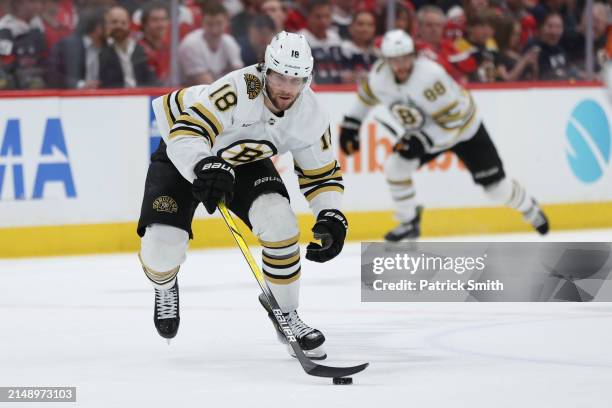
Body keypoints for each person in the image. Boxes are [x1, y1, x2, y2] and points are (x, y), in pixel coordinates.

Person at [137, 32, 348, 360]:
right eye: (279, 76)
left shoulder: (312, 114)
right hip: (185, 151)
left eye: (297, 80)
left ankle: (286, 313)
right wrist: (204, 164)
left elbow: (321, 174)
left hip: (244, 159)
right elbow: (186, 133)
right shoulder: (239, 88)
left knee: (279, 222)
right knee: (162, 247)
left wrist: (331, 213)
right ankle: (164, 285)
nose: (286, 88)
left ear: (308, 78)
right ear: (265, 69)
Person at [338, 30, 548, 242]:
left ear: (414, 54)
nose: (400, 65)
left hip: (466, 131)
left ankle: (529, 208)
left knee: (497, 191)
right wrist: (352, 124)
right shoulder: (379, 75)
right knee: (396, 166)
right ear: (385, 60)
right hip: (428, 132)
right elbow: (366, 96)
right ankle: (408, 221)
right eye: (394, 60)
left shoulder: (431, 76)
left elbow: (453, 123)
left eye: (405, 58)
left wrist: (420, 141)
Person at [178, 1, 243, 85]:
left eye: (219, 23)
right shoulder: (191, 44)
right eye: (209, 24)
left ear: (227, 23)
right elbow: (208, 86)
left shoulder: (230, 42)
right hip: (185, 93)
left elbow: (239, 77)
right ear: (202, 23)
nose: (214, 30)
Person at [99, 5, 157, 88]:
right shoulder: (102, 52)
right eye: (114, 22)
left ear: (129, 24)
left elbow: (151, 81)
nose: (119, 26)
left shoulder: (142, 50)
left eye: (123, 23)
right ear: (107, 24)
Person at [47, 7, 105, 89]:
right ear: (98, 28)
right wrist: (80, 85)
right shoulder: (66, 46)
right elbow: (52, 74)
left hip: (104, 97)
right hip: (74, 97)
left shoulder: (108, 48)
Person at [0, 0, 46, 89]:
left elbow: (41, 49)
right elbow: (5, 56)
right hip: (13, 78)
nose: (37, 5)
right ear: (18, 4)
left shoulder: (37, 23)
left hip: (37, 72)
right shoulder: (5, 26)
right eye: (32, 2)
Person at [298, 0, 344, 84]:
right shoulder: (300, 39)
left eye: (327, 16)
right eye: (318, 17)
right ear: (308, 16)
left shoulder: (335, 37)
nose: (323, 21)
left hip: (338, 88)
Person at [138, 2, 170, 85]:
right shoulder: (137, 51)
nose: (160, 24)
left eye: (163, 19)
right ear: (144, 24)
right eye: (155, 20)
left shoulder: (170, 49)